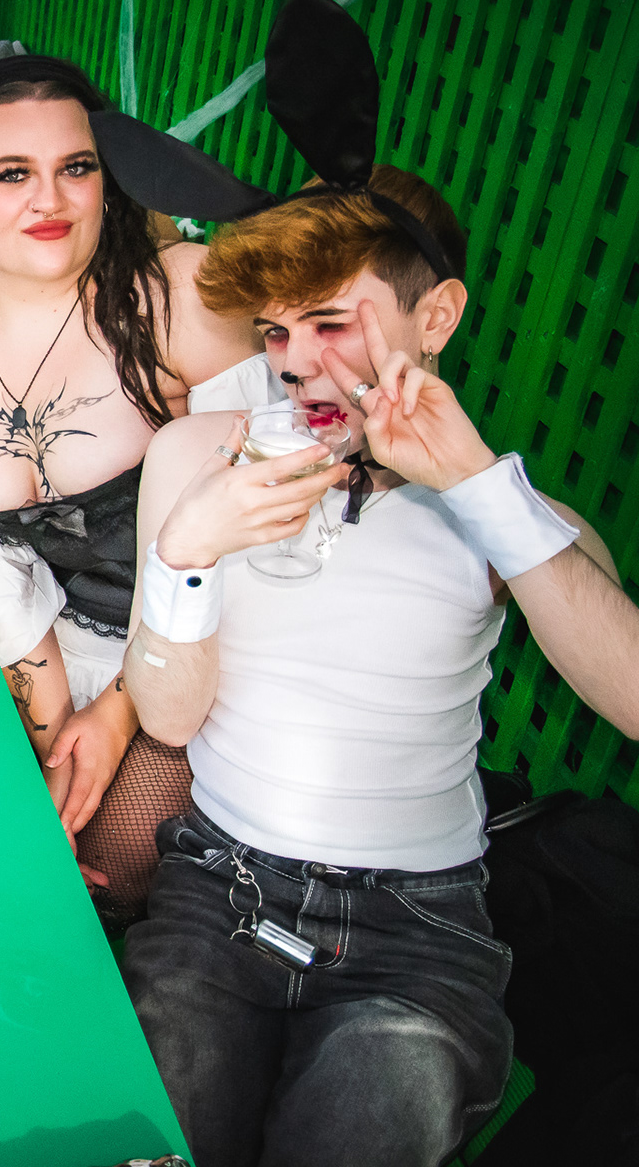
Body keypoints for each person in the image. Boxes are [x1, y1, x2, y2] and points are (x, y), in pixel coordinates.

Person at [119, 164, 639, 1166]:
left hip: (418, 924)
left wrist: (475, 485)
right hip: (220, 889)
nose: (296, 364)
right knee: (159, 1118)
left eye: (330, 322)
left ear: (435, 317)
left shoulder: (505, 515)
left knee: (370, 1120)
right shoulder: (198, 457)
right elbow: (171, 717)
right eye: (276, 334)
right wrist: (188, 552)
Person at [0, 57, 260, 920]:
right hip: (35, 646)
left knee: (116, 859)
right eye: (12, 174)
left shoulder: (182, 300)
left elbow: (270, 538)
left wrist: (119, 713)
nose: (49, 199)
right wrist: (49, 721)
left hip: (199, 654)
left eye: (76, 167)